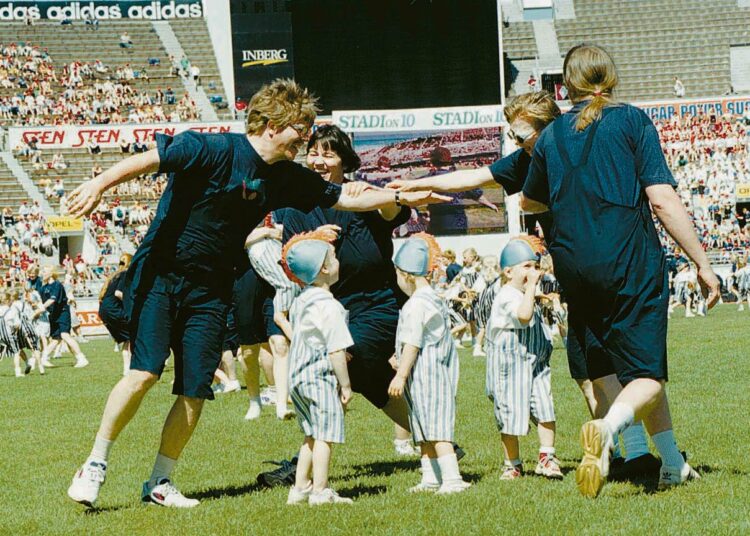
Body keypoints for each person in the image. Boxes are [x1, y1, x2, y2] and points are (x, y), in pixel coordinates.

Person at [64, 79, 448, 508]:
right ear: (270, 124)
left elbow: (344, 198)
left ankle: (159, 481)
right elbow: (151, 160)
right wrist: (99, 184)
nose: (304, 139)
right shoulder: (212, 149)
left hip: (212, 290)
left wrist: (400, 194)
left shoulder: (286, 177)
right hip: (161, 276)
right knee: (145, 373)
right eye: (298, 129)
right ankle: (95, 463)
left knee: (194, 389)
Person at [390, 90, 660, 480]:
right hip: (576, 274)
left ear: (547, 127)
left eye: (521, 135)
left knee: (621, 365)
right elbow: (475, 176)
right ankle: (617, 454)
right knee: (588, 371)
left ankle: (636, 454)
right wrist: (418, 183)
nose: (516, 144)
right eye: (512, 137)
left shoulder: (571, 153)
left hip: (603, 265)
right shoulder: (530, 158)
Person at [520, 44, 720, 498]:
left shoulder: (550, 137)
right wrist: (702, 263)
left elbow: (529, 201)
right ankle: (608, 429)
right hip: (629, 260)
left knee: (612, 366)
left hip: (575, 265)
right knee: (648, 372)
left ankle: (671, 463)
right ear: (611, 77)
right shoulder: (630, 120)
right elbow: (662, 199)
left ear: (565, 84)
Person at [282, 124, 430, 457]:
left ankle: (303, 464)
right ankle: (434, 441)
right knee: (370, 378)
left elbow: (395, 212)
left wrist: (376, 197)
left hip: (377, 304)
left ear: (344, 160)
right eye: (314, 153)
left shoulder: (362, 193)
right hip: (331, 308)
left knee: (346, 361)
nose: (319, 161)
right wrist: (312, 240)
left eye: (328, 154)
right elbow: (291, 261)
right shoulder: (297, 205)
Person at [388, 234, 470, 494]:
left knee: (436, 428)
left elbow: (413, 342)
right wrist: (398, 358)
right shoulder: (433, 298)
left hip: (428, 374)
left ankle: (452, 479)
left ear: (407, 275)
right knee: (422, 427)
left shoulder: (416, 304)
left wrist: (401, 373)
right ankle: (430, 477)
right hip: (425, 374)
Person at [282, 231, 354, 506]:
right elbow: (336, 348)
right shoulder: (329, 306)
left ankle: (300, 488)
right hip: (318, 377)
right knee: (326, 435)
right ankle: (321, 490)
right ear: (324, 269)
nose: (338, 261)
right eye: (333, 257)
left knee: (311, 433)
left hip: (298, 376)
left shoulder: (301, 301)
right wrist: (345, 384)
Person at [486, 237, 561, 481]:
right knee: (510, 412)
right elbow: (524, 316)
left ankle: (547, 456)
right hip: (510, 366)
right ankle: (512, 464)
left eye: (535, 266)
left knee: (545, 407)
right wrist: (531, 289)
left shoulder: (522, 292)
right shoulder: (507, 295)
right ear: (508, 272)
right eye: (526, 267)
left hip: (535, 362)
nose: (533, 272)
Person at [39, 266, 88, 369]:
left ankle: (82, 358)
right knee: (56, 339)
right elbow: (39, 300)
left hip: (62, 313)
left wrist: (40, 308)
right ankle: (44, 358)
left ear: (51, 273)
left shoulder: (57, 285)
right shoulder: (43, 288)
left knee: (65, 335)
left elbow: (52, 300)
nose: (42, 273)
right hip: (53, 315)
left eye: (44, 271)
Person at [99, 254, 133, 376]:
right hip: (113, 310)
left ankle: (126, 369)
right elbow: (119, 293)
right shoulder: (125, 274)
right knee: (134, 334)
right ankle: (132, 367)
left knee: (127, 338)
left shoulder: (114, 275)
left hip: (104, 310)